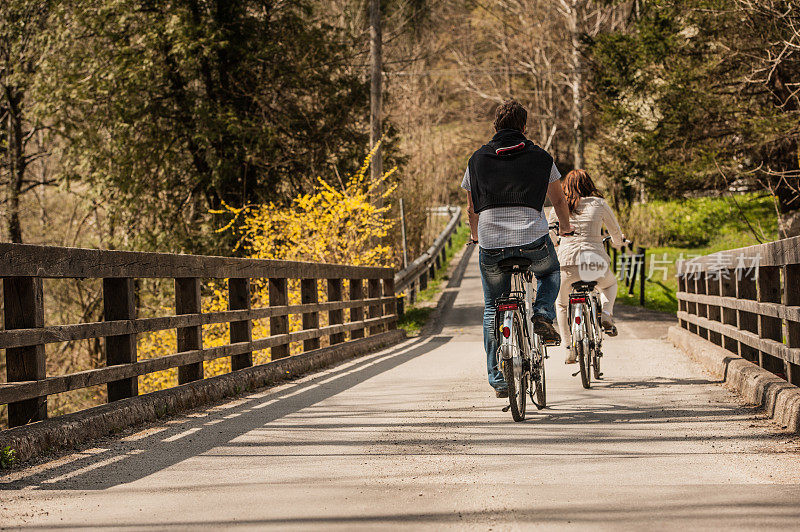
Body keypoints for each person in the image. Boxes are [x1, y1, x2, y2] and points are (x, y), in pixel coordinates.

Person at [462, 99, 573, 398]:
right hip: (532, 240)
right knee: (550, 273)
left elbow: (472, 208)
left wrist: (475, 236)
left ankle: (498, 379)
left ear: (495, 127)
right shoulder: (541, 157)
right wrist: (565, 228)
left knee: (491, 308)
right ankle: (542, 314)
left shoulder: (477, 159)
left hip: (492, 244)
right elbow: (559, 201)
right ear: (524, 128)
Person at [547, 169, 624, 364]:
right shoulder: (599, 204)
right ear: (589, 184)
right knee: (609, 285)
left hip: (567, 262)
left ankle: (568, 349)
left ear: (566, 186)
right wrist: (618, 242)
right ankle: (606, 314)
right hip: (594, 261)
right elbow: (615, 232)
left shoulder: (559, 205)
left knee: (562, 304)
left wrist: (558, 244)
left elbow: (551, 233)